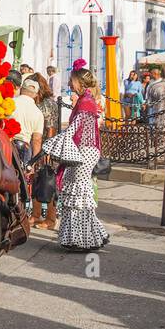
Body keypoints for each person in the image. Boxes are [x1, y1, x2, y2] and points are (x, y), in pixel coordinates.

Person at [42, 68, 109, 253]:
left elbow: (75, 128)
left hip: (83, 152)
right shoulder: (86, 100)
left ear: (80, 82)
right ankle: (91, 236)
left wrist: (53, 144)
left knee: (77, 195)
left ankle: (82, 239)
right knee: (77, 195)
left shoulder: (86, 101)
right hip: (84, 151)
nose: (70, 85)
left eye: (72, 81)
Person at [32, 75, 61, 229]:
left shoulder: (48, 104)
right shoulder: (37, 102)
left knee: (48, 182)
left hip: (46, 146)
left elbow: (51, 129)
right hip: (38, 145)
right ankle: (36, 214)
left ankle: (50, 218)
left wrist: (47, 150)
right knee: (37, 180)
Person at [12, 77, 46, 160]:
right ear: (35, 94)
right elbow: (37, 140)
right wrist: (33, 162)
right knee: (23, 172)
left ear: (21, 89)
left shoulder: (9, 103)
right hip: (23, 147)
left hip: (5, 144)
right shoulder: (38, 113)